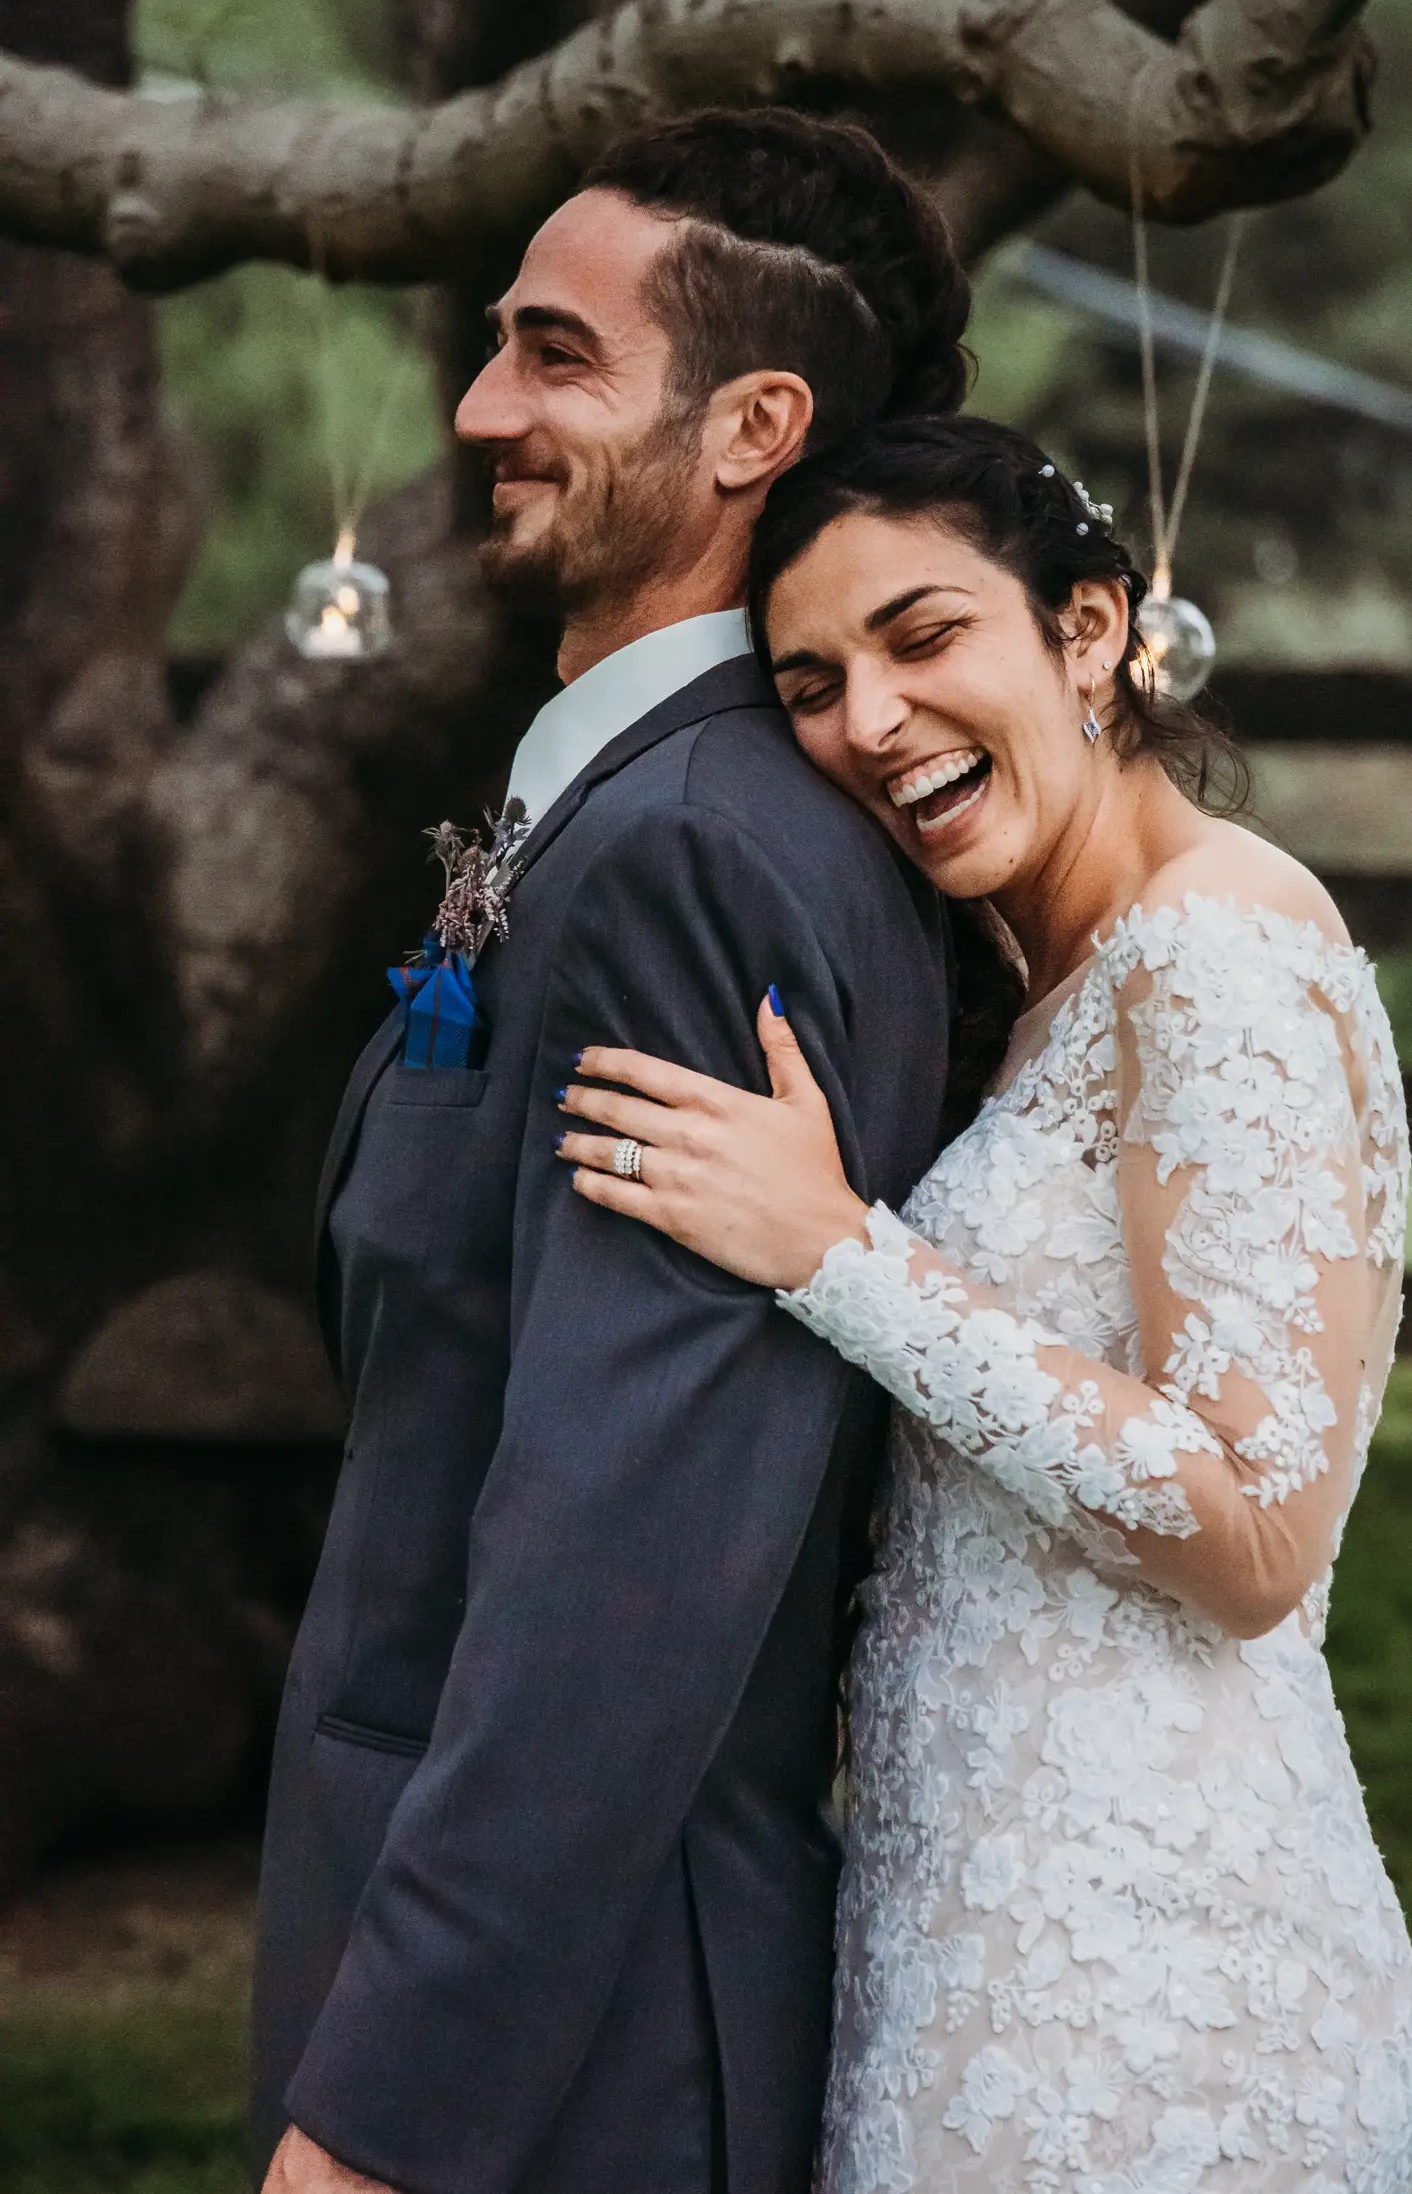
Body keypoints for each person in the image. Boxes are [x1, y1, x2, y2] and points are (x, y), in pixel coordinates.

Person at [554, 416, 1412, 2194]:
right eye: (811, 680)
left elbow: (1259, 1530)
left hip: (1153, 1983)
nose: (866, 721)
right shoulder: (1053, 986)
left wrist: (836, 1255)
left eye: (924, 636)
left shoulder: (1219, 952)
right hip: (965, 1935)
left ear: (1091, 631)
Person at [250, 111, 972, 2194]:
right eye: (496, 348)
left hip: (565, 2050)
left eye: (555, 354)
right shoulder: (637, 807)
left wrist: (384, 2126)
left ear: (754, 423)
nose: (483, 406)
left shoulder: (693, 854)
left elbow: (619, 1576)